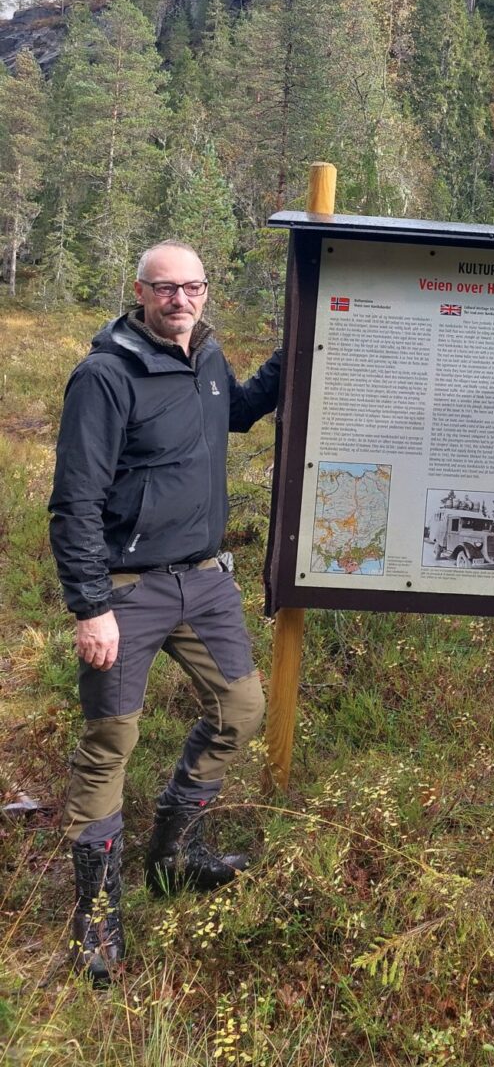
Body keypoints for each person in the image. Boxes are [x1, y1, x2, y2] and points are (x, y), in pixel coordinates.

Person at [49, 240, 281, 985]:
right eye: (165, 289)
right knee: (111, 739)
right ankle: (97, 916)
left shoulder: (206, 359)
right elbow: (75, 504)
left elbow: (237, 413)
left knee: (241, 709)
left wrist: (297, 351)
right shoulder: (104, 376)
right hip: (126, 589)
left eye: (193, 288)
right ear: (140, 293)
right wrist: (91, 608)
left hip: (205, 581)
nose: (180, 300)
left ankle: (175, 853)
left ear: (206, 294)